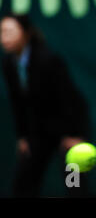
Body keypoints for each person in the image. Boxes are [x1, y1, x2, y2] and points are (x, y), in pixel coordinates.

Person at [0, 13, 90, 197]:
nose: (4, 38)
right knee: (24, 182)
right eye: (1, 32)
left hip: (68, 128)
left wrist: (74, 134)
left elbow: (69, 99)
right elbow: (18, 103)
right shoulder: (9, 63)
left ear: (25, 33)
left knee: (74, 183)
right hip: (39, 131)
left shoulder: (47, 59)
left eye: (9, 32)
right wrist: (23, 136)